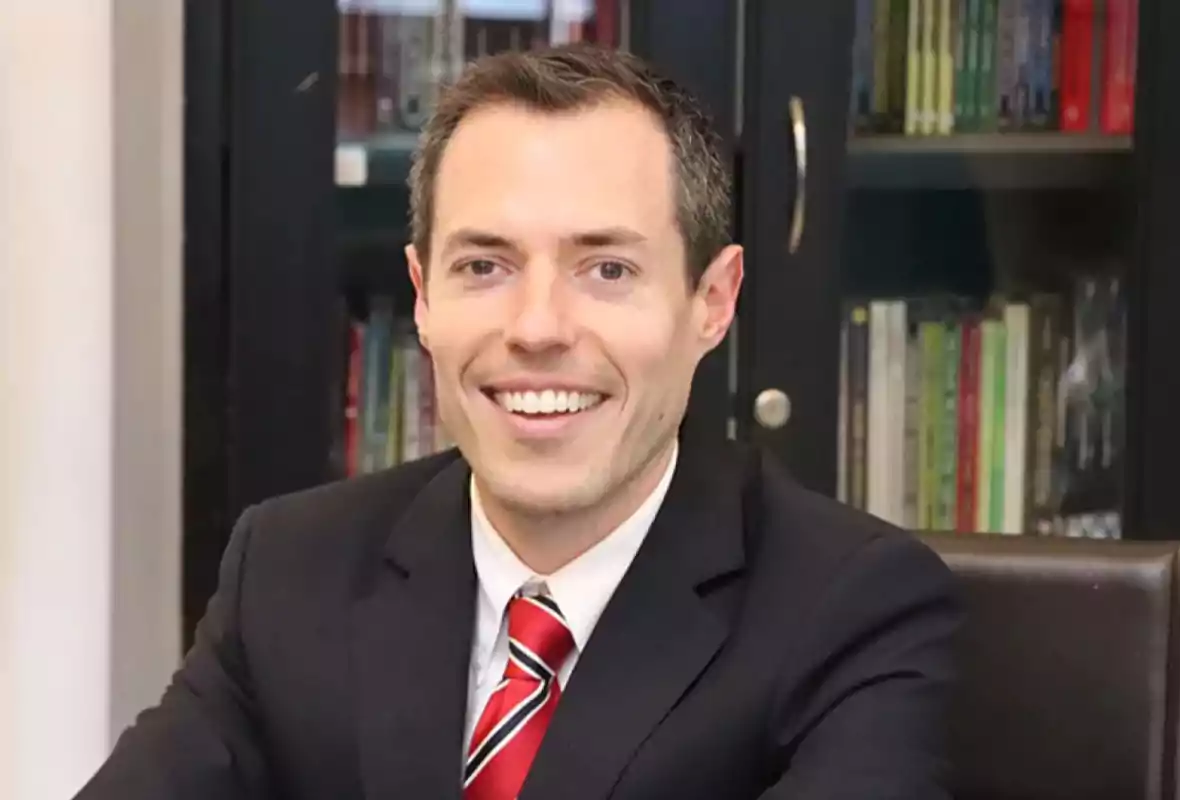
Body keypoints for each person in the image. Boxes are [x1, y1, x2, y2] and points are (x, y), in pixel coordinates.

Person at [75, 43, 963, 800]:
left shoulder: (853, 611)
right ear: (422, 298)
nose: (537, 328)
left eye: (607, 269)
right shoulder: (288, 571)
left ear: (712, 300)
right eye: (485, 266)